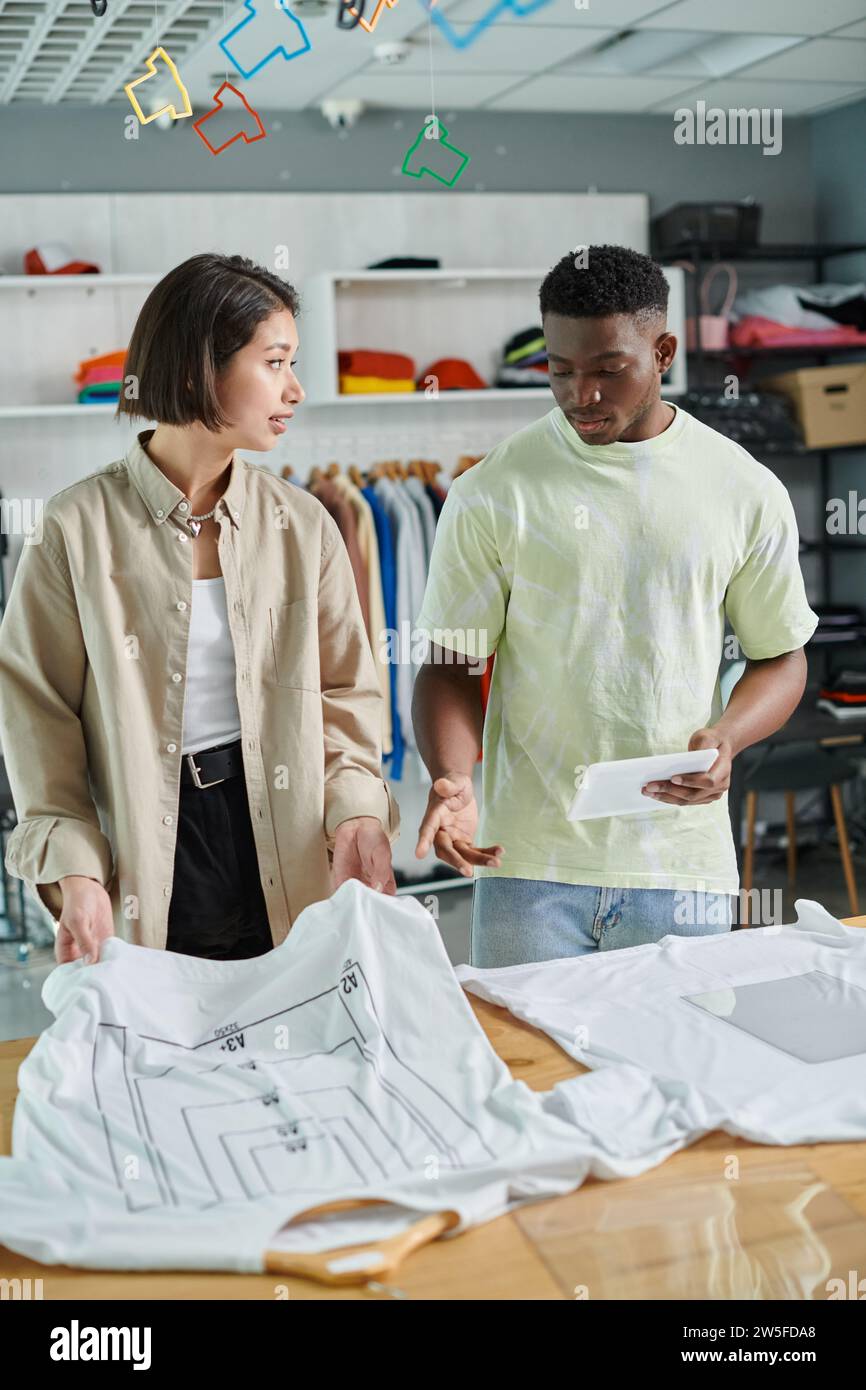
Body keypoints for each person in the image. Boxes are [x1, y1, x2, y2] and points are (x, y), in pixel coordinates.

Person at [412, 244, 818, 966]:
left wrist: (728, 736)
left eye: (607, 370)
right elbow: (448, 665)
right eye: (560, 371)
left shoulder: (742, 489)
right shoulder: (491, 491)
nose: (580, 395)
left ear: (662, 352)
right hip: (529, 865)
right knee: (529, 1076)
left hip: (679, 862)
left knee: (676, 1072)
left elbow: (781, 656)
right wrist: (451, 777)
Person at [0, 252, 398, 966]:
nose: (296, 388)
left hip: (285, 835)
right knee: (160, 1058)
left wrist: (358, 811)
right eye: (275, 362)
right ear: (195, 370)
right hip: (147, 852)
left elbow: (345, 698)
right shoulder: (75, 527)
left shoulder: (304, 525)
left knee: (293, 1052)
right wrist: (77, 868)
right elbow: (39, 715)